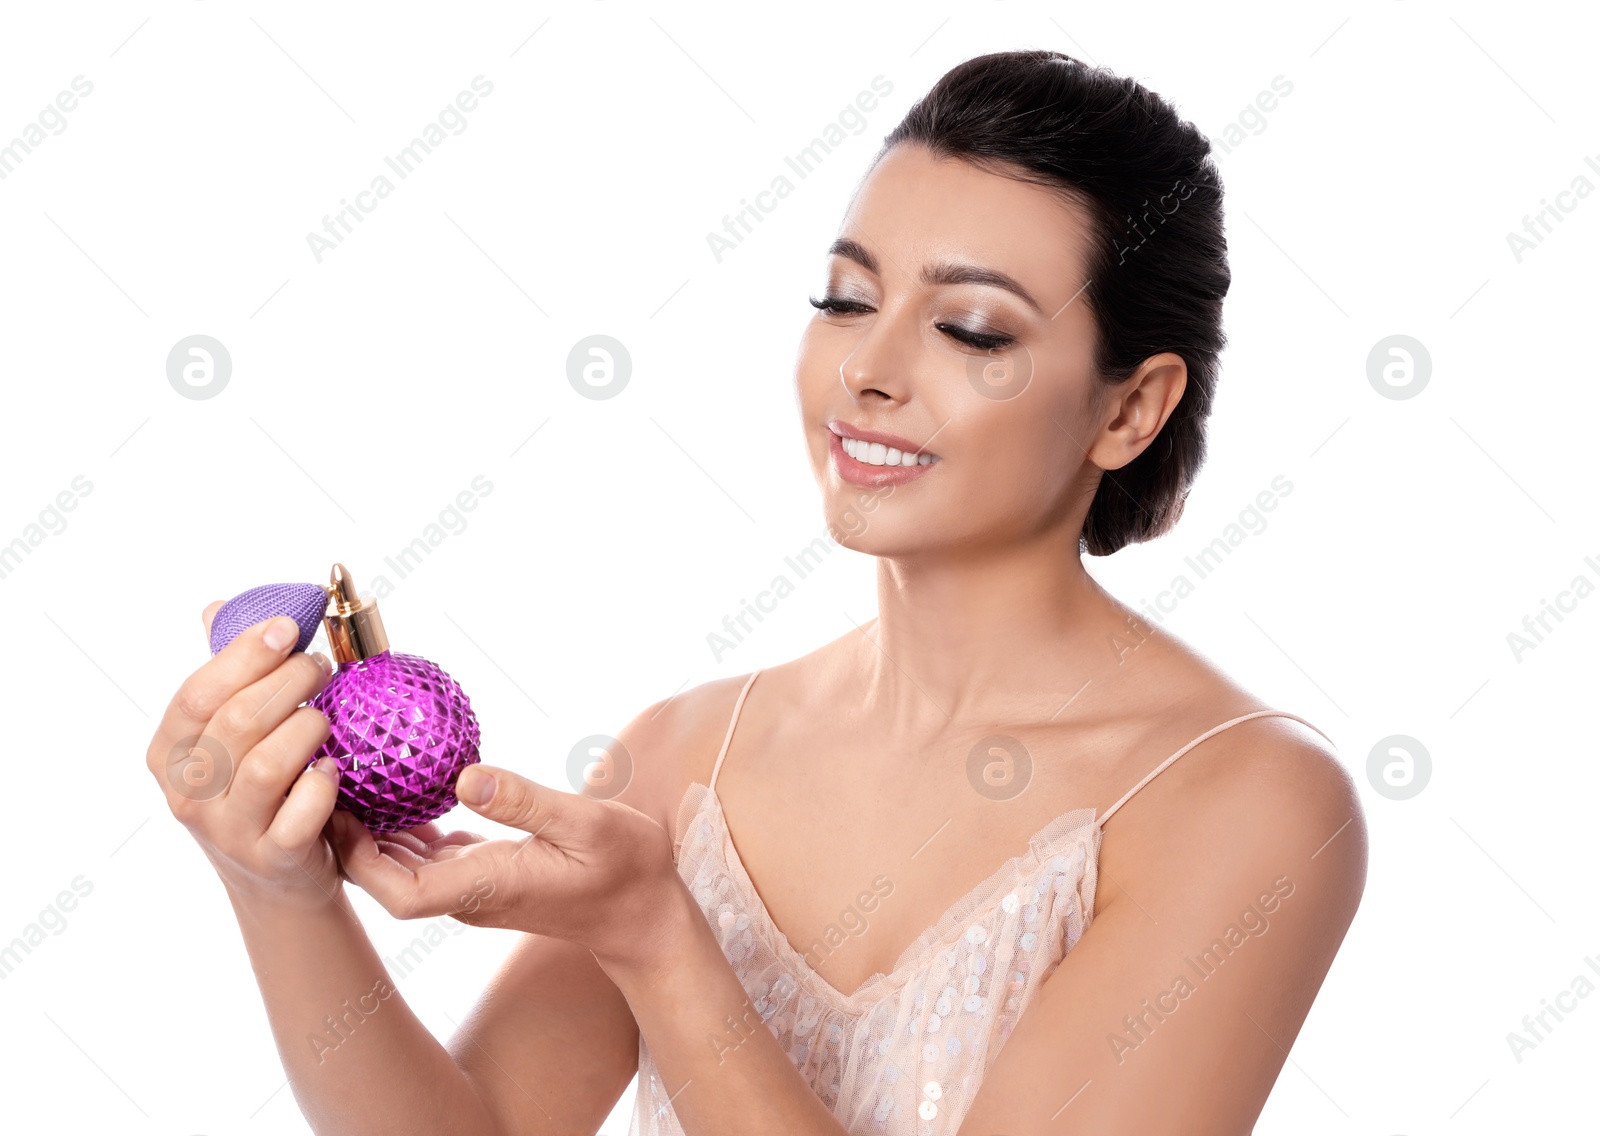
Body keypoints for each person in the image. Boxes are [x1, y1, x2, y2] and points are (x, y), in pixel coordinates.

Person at [146, 49, 1366, 1135]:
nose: (869, 369)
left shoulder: (1243, 802)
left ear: (1129, 407)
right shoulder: (685, 753)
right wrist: (278, 885)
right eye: (845, 299)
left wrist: (661, 944)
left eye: (973, 330)